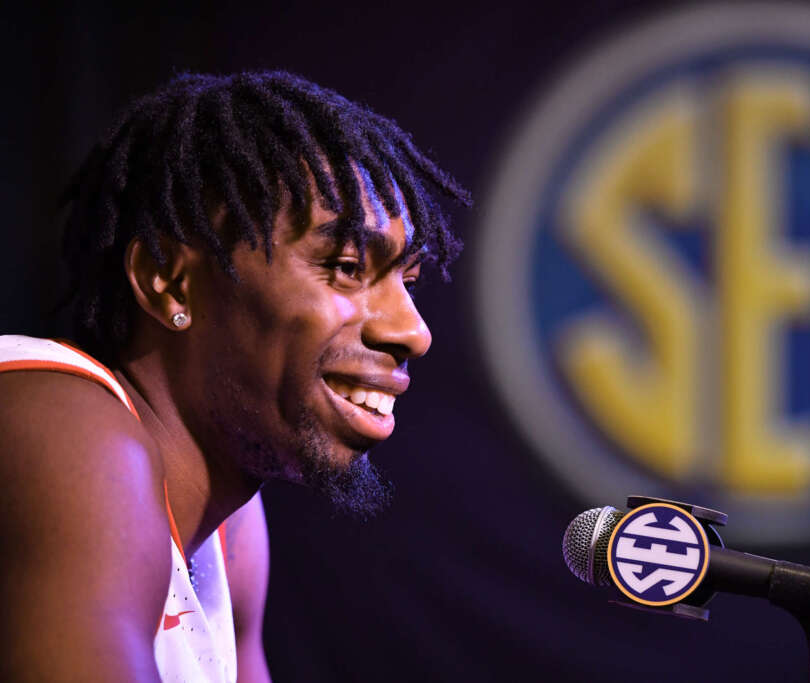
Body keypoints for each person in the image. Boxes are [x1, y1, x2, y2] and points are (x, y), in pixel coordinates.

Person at [0, 71, 469, 682]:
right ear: (170, 279)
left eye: (407, 283)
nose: (414, 331)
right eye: (347, 267)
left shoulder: (228, 527)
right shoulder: (67, 429)